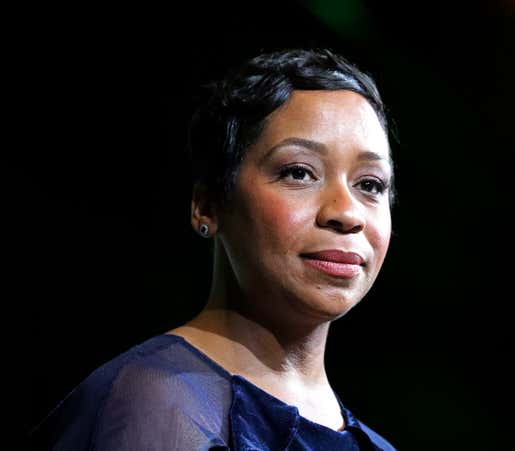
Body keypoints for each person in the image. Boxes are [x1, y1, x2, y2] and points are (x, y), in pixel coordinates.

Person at [30, 47, 397, 450]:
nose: (346, 212)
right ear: (208, 204)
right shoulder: (158, 406)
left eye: (370, 184)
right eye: (298, 172)